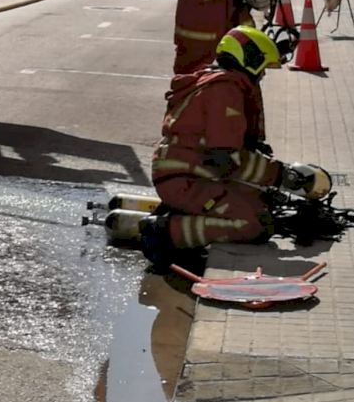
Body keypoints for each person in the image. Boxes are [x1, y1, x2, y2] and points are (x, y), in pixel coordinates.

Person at [139, 25, 332, 266]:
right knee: (253, 225)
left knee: (262, 207)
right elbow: (229, 160)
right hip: (186, 180)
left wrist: (271, 177)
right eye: (262, 68)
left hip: (190, 174)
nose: (263, 75)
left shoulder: (218, 82)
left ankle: (183, 217)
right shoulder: (226, 92)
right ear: (251, 60)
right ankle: (165, 232)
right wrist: (282, 176)